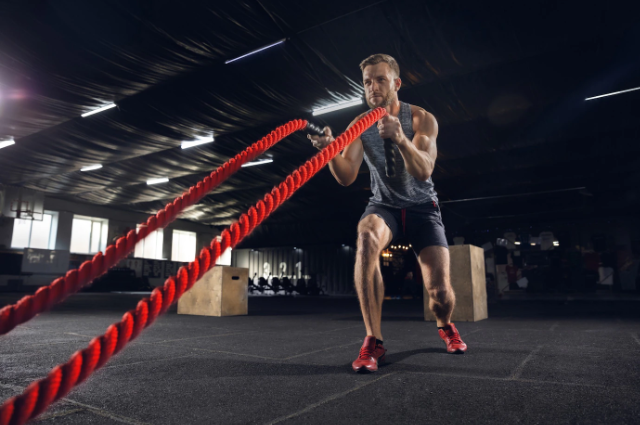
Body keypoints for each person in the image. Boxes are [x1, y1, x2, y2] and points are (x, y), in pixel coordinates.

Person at [308, 53, 467, 373]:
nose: (373, 87)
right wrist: (328, 151)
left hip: (423, 208)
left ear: (396, 83)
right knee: (366, 235)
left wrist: (399, 139)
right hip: (384, 207)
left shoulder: (422, 119)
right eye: (367, 81)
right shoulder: (359, 125)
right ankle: (373, 341)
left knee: (440, 293)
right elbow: (346, 176)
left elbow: (424, 170)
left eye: (380, 79)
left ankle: (445, 325)